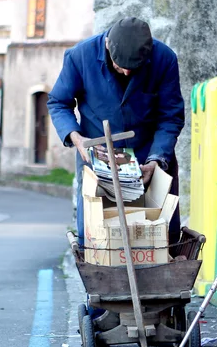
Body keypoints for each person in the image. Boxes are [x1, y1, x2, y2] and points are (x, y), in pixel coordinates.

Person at [47, 16, 185, 249]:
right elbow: (59, 102)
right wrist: (77, 138)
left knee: (160, 243)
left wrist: (156, 160)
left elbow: (170, 116)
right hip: (98, 159)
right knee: (97, 243)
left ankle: (160, 282)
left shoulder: (165, 59)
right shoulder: (80, 57)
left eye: (135, 69)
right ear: (108, 45)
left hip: (149, 160)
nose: (127, 74)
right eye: (121, 66)